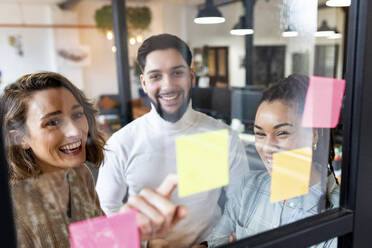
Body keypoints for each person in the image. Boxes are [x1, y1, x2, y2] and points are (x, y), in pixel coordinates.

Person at [96, 33, 250, 247]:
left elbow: (240, 205)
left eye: (177, 73)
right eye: (155, 76)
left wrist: (211, 244)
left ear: (191, 77)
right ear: (144, 83)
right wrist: (144, 244)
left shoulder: (222, 136)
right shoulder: (121, 143)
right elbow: (105, 209)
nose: (168, 85)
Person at [1, 72, 187, 248]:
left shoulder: (79, 173)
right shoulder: (11, 211)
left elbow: (98, 240)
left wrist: (139, 238)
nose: (75, 131)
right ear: (20, 139)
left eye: (77, 115)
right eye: (52, 122)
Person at [196, 74, 340, 247]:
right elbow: (214, 243)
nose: (267, 147)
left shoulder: (337, 212)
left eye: (282, 133)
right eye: (260, 134)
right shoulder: (248, 187)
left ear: (313, 134)